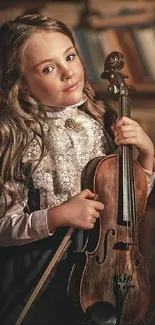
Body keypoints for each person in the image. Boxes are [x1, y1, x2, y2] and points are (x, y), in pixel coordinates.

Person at [0, 14, 154, 325]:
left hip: (106, 266)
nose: (69, 72)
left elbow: (127, 207)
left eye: (70, 56)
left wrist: (147, 154)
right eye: (47, 68)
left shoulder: (101, 120)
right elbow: (4, 227)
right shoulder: (17, 137)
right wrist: (58, 215)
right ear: (22, 85)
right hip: (43, 271)